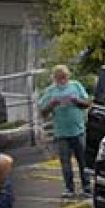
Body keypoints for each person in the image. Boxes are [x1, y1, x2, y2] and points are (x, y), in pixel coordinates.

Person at [38, 65, 92, 198]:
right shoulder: (50, 91)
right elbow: (42, 112)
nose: (62, 80)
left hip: (78, 130)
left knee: (83, 160)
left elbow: (87, 103)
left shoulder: (76, 85)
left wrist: (75, 100)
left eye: (64, 77)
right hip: (61, 133)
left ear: (68, 76)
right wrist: (52, 104)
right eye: (59, 78)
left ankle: (87, 187)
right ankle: (69, 188)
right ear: (55, 78)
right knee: (65, 162)